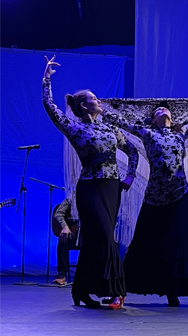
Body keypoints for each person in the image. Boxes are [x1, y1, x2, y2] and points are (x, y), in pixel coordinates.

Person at [107, 100, 188, 306]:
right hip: (154, 197)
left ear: (172, 119)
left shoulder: (181, 133)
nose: (162, 110)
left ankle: (172, 291)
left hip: (179, 195)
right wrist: (102, 110)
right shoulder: (147, 133)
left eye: (165, 109)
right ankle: (120, 291)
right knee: (142, 243)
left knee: (176, 244)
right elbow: (122, 122)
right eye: (157, 111)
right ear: (153, 119)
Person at [42, 56, 140, 309]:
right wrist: (47, 78)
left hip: (111, 188)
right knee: (104, 237)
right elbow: (50, 106)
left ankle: (84, 292)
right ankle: (117, 290)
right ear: (84, 106)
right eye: (94, 99)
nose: (99, 101)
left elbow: (132, 150)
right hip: (90, 187)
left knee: (98, 241)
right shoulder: (75, 128)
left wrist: (130, 175)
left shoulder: (109, 129)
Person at [52, 198, 79, 287]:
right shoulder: (71, 199)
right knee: (63, 238)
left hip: (87, 236)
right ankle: (62, 275)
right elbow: (58, 214)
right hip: (74, 236)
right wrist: (65, 226)